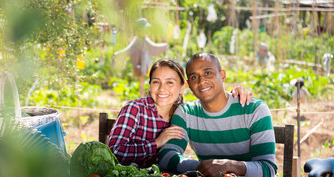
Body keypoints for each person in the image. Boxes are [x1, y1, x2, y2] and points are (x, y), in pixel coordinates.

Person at [108, 58, 253, 168]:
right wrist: (156, 143)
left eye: (170, 82)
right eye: (156, 82)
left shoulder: (182, 114)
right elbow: (114, 152)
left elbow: (212, 100)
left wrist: (236, 92)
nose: (162, 89)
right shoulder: (135, 109)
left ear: (183, 86)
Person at [158, 53, 277, 177]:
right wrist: (200, 167)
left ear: (222, 75)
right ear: (189, 85)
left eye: (208, 73)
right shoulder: (186, 113)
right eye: (194, 77)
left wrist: (229, 166)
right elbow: (166, 156)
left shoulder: (254, 109)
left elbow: (268, 170)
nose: (201, 81)